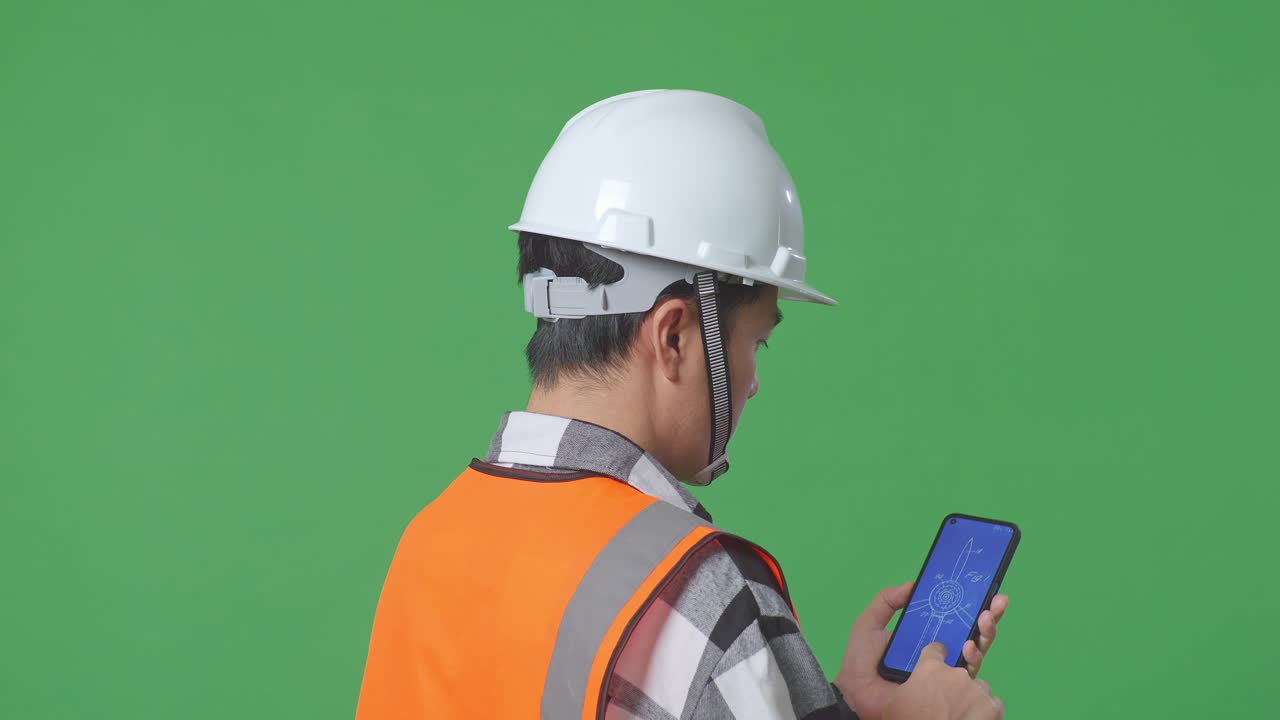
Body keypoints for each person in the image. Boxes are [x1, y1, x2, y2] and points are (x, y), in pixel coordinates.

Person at [355, 89, 1010, 719]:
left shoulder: (430, 539)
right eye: (757, 340)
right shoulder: (696, 593)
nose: (752, 380)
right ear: (672, 336)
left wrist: (826, 701)